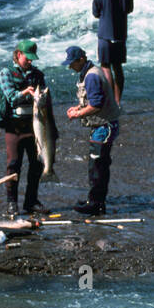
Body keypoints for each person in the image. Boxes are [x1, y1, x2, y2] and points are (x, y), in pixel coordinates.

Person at [63, 45, 120, 216]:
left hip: (104, 127)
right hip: (102, 126)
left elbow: (96, 104)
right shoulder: (91, 72)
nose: (70, 66)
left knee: (97, 166)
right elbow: (92, 100)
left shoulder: (92, 76)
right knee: (97, 165)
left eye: (72, 63)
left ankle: (96, 204)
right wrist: (78, 107)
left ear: (81, 60)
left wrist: (78, 114)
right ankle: (94, 200)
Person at [0, 39, 48, 219]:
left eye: (33, 59)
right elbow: (11, 97)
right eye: (28, 58)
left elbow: (47, 100)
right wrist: (25, 92)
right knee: (13, 164)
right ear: (18, 55)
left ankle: (31, 201)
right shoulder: (6, 73)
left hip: (35, 126)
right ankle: (12, 203)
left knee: (37, 164)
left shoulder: (38, 75)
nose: (31, 62)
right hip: (15, 127)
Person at [92, 0, 133, 104]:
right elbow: (129, 9)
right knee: (118, 68)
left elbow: (96, 13)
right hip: (120, 36)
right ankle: (117, 102)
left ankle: (109, 103)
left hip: (104, 36)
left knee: (105, 66)